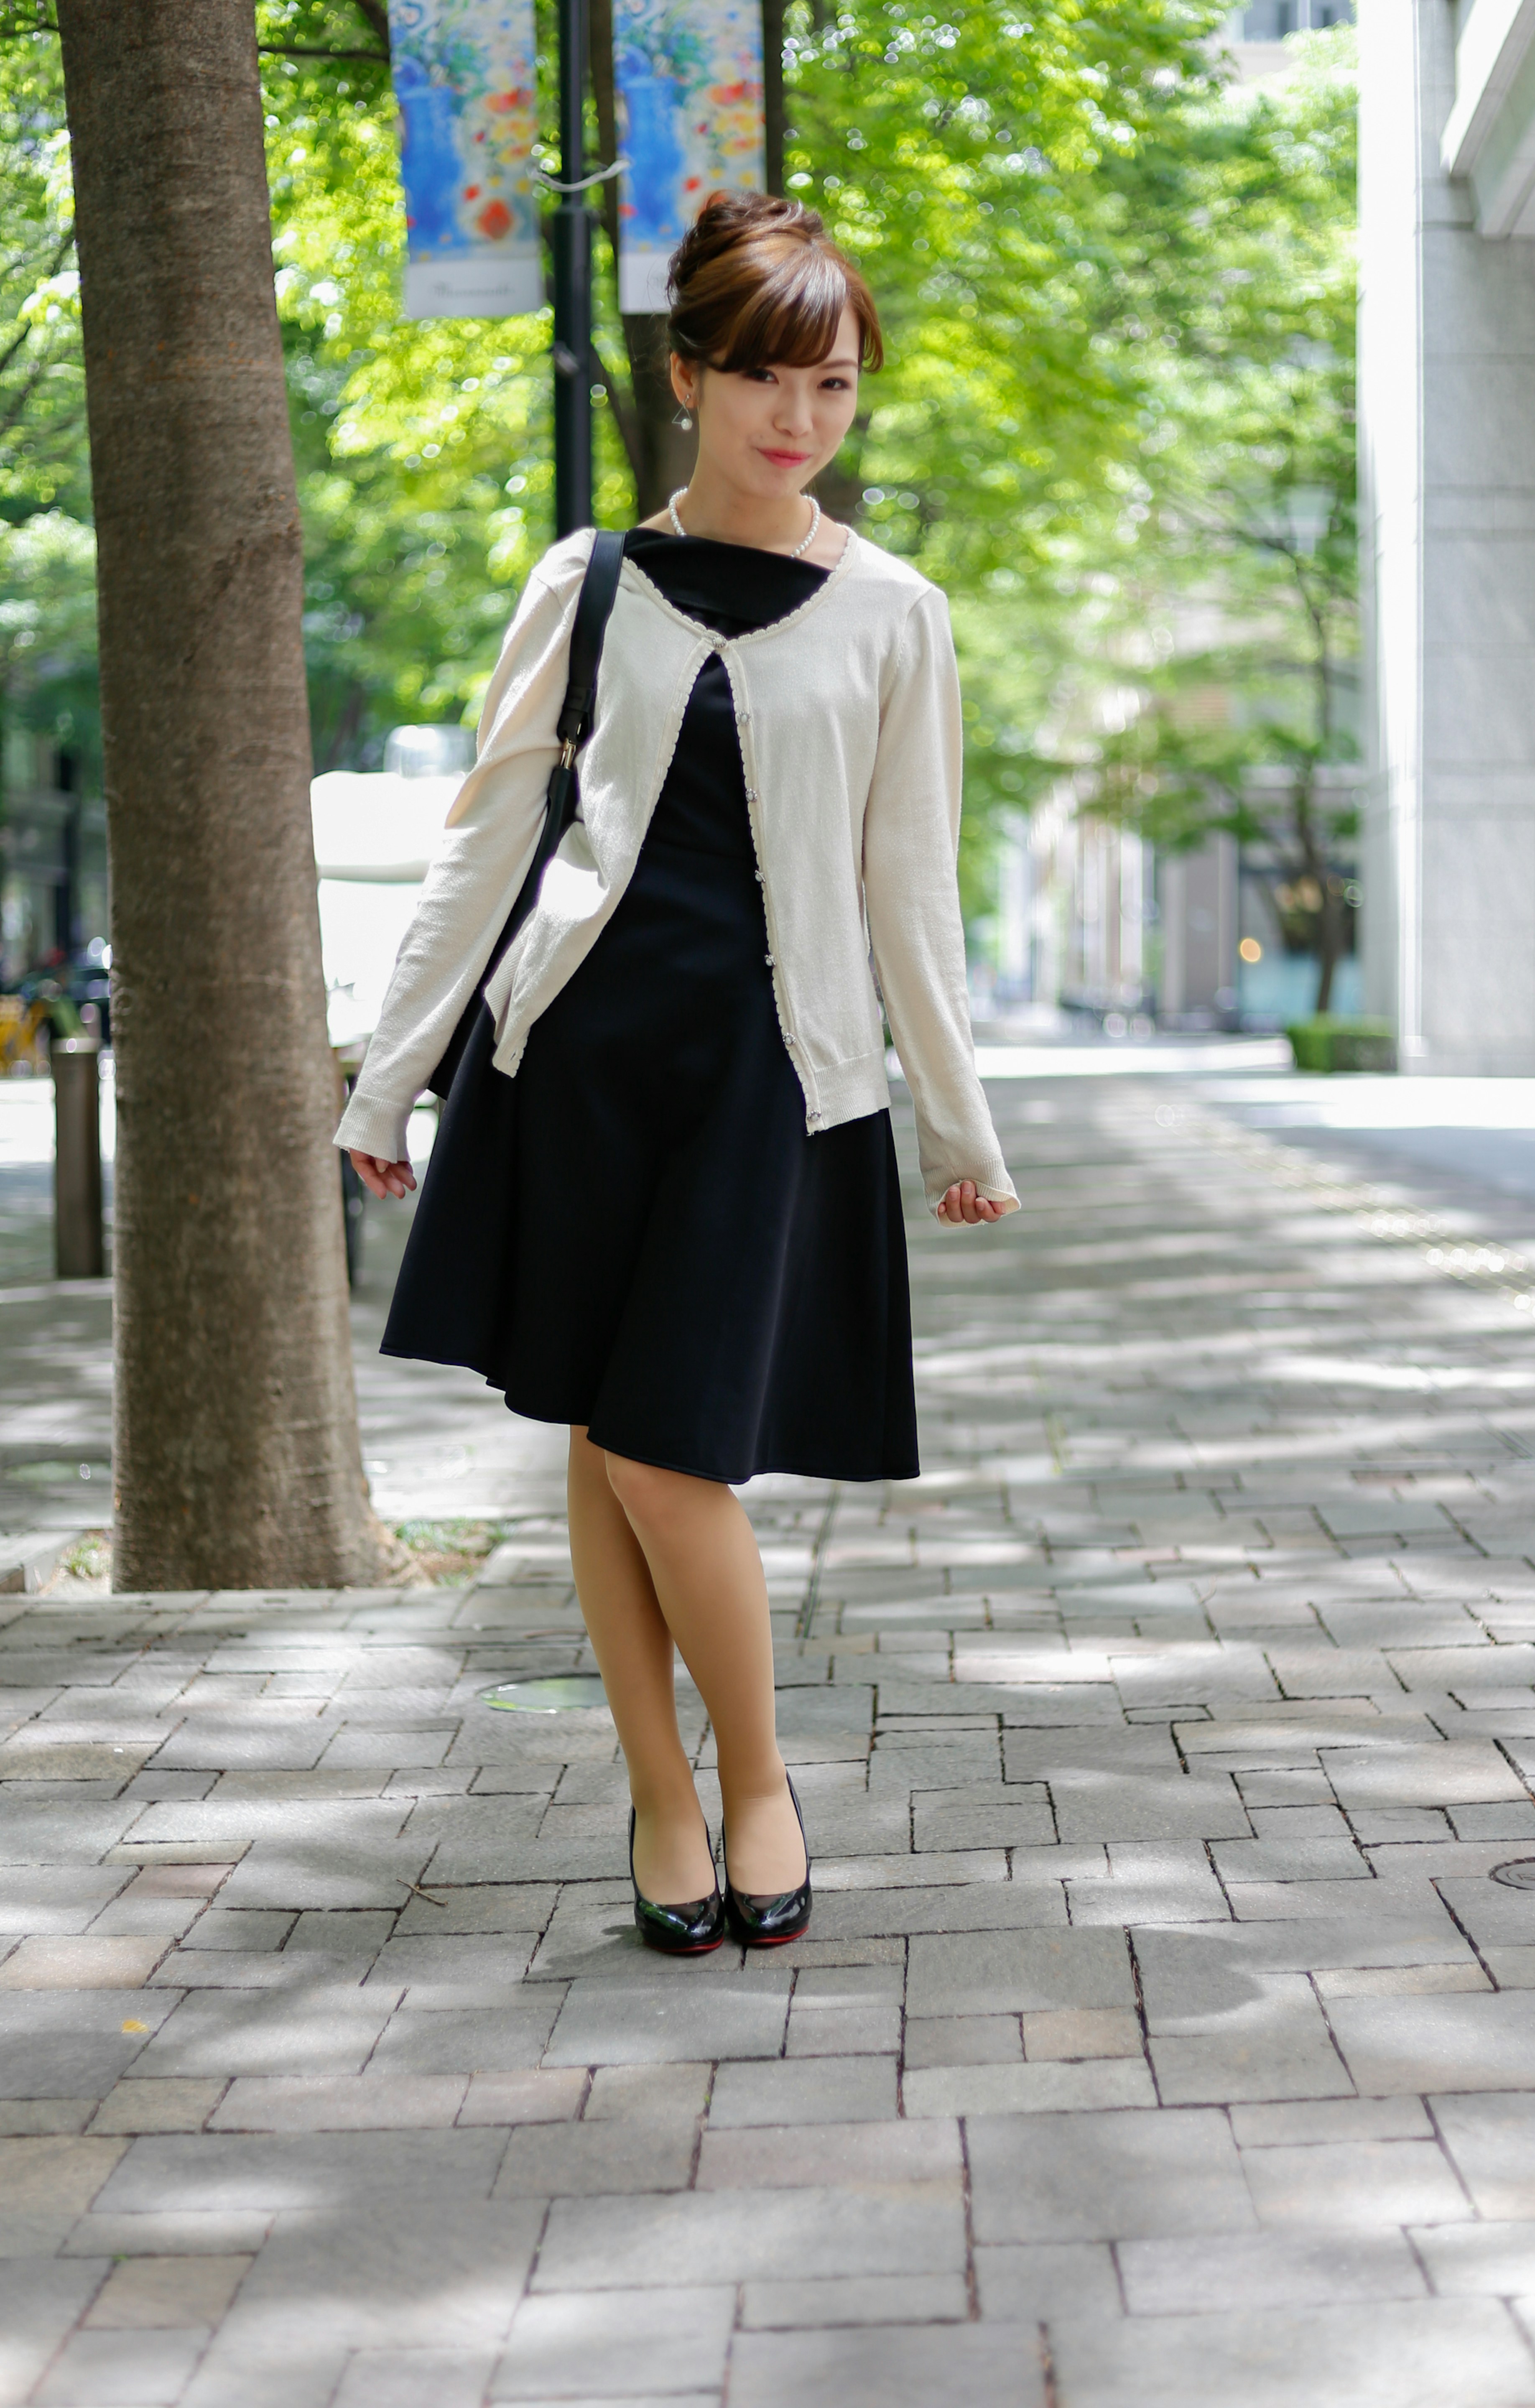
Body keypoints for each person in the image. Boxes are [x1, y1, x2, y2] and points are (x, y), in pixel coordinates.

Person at [338, 191, 1019, 1956]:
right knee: (602, 1428)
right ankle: (659, 1797)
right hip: (580, 1058)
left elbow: (907, 882)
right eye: (769, 381)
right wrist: (386, 1077)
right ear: (691, 376)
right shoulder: (592, 582)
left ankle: (762, 1775)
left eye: (837, 389)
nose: (801, 422)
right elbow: (487, 839)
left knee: (663, 1449)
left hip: (765, 1088)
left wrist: (955, 1116)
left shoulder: (894, 617)